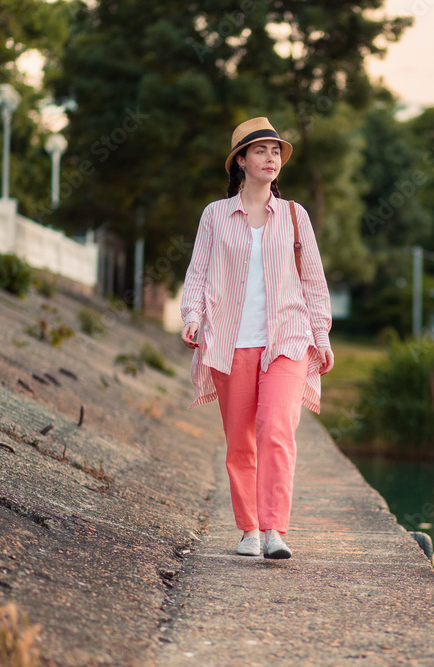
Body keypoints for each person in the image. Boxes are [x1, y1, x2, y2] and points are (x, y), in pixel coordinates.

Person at [179, 117, 334, 559]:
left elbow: (313, 281)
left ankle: (274, 531)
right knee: (241, 442)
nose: (270, 158)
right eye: (260, 151)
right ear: (241, 161)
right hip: (230, 342)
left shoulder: (294, 216)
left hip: (288, 339)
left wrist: (321, 336)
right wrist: (192, 317)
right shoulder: (215, 215)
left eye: (275, 151)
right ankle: (248, 529)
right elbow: (198, 272)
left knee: (277, 431)